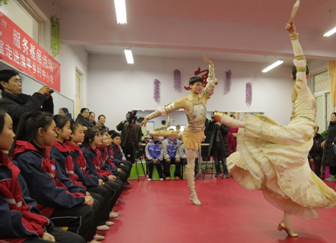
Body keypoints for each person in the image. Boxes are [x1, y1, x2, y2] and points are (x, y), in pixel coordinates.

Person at [214, 21, 336, 237]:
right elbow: (301, 64)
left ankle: (286, 221)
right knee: (285, 169)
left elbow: (300, 64)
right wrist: (294, 37)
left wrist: (294, 38)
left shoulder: (302, 89)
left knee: (287, 173)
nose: (300, 76)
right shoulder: (301, 90)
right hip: (301, 131)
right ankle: (238, 123)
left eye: (301, 75)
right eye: (299, 75)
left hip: (303, 133)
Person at [10, 111, 100, 242]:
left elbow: (61, 179)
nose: (56, 133)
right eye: (53, 130)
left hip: (50, 202)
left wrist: (80, 194)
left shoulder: (44, 152)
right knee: (85, 212)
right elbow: (47, 193)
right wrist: (79, 199)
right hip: (42, 208)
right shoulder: (27, 159)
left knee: (93, 201)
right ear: (41, 132)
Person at [140, 56, 217, 205]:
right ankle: (193, 193)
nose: (200, 87)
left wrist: (211, 67)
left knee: (192, 159)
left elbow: (212, 83)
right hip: (189, 133)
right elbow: (165, 109)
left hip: (199, 132)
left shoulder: (204, 97)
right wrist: (148, 118)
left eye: (201, 84)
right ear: (190, 87)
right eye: (197, 85)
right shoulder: (184, 100)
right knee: (191, 164)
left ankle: (193, 192)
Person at [322, 113, 336, 182]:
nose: (332, 117)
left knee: (333, 160)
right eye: (331, 116)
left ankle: (333, 175)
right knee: (330, 160)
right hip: (329, 145)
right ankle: (331, 174)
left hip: (334, 145)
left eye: (333, 116)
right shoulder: (330, 125)